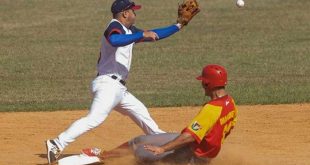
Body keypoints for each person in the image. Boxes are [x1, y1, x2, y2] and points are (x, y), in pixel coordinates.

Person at [45, 0, 191, 164]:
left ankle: (171, 148)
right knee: (94, 119)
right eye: (133, 11)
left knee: (145, 119)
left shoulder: (129, 30)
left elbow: (154, 34)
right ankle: (57, 143)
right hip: (108, 85)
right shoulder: (114, 26)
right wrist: (140, 35)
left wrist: (178, 25)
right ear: (125, 13)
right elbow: (114, 40)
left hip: (118, 90)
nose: (135, 13)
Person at [57, 64, 238, 165]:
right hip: (203, 155)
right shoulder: (231, 104)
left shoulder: (211, 109)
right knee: (143, 142)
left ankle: (104, 156)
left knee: (144, 155)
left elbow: (188, 137)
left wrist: (163, 148)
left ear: (207, 84)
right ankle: (104, 155)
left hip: (191, 155)